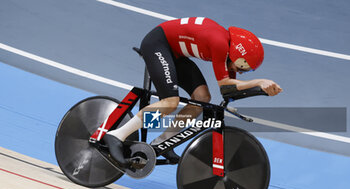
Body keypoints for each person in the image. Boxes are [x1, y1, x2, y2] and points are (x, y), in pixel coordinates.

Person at [104, 17, 283, 167]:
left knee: (201, 98)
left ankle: (162, 142)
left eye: (249, 70)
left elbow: (229, 93)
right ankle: (116, 135)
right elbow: (225, 86)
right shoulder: (220, 43)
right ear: (236, 52)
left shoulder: (229, 52)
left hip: (174, 53)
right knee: (169, 102)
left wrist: (261, 90)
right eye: (243, 65)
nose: (243, 72)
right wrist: (259, 81)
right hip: (157, 44)